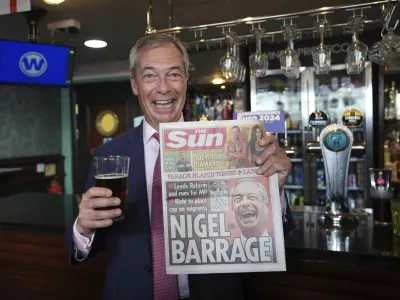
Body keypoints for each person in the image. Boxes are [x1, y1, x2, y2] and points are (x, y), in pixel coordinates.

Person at [64, 33, 295, 300]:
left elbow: (271, 234)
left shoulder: (229, 146)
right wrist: (84, 227)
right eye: (149, 76)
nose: (163, 87)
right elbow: (83, 248)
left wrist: (274, 189)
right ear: (135, 85)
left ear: (186, 80)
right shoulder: (109, 155)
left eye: (173, 74)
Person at [230, 178, 276, 263]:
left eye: (252, 197)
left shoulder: (279, 248)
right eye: (238, 199)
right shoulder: (225, 254)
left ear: (266, 206)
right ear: (233, 211)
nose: (245, 203)